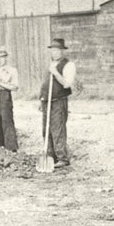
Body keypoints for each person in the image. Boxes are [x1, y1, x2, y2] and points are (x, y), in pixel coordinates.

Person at [39, 38, 77, 168]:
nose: (54, 53)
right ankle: (50, 156)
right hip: (47, 101)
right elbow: (45, 84)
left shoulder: (68, 65)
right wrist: (42, 99)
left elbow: (67, 84)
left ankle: (62, 158)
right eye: (52, 50)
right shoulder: (50, 64)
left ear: (62, 51)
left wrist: (55, 73)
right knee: (46, 129)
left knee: (58, 129)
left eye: (57, 50)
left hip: (59, 101)